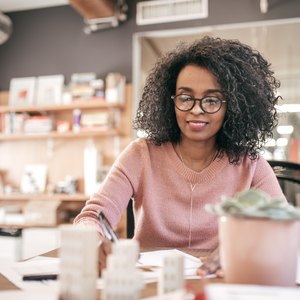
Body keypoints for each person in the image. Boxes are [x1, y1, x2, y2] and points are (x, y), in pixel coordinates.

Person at [74, 36, 285, 272]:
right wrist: (95, 240)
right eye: (185, 98)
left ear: (232, 105)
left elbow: (285, 229)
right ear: (170, 100)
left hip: (217, 282)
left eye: (212, 100)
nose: (196, 109)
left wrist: (243, 248)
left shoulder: (251, 165)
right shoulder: (140, 155)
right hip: (148, 281)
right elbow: (92, 216)